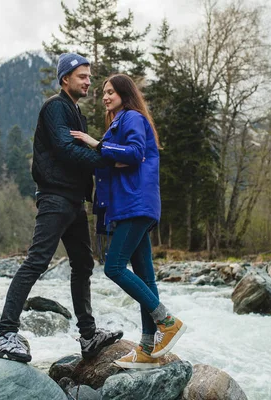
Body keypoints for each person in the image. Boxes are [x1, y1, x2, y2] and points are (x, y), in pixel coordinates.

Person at [0, 53, 123, 363]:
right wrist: (108, 160)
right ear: (65, 79)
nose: (88, 81)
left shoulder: (76, 112)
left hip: (75, 201)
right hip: (55, 197)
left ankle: (88, 337)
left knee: (83, 265)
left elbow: (80, 151)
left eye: (89, 77)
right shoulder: (55, 108)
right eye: (82, 77)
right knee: (36, 261)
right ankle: (5, 334)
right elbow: (65, 149)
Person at [70, 74, 186, 369]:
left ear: (124, 93)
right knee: (146, 275)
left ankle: (167, 322)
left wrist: (97, 144)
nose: (105, 97)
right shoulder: (119, 123)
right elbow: (120, 160)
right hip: (132, 205)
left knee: (114, 267)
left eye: (110, 92)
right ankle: (148, 348)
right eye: (103, 93)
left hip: (135, 205)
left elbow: (134, 154)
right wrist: (107, 154)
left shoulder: (132, 117)